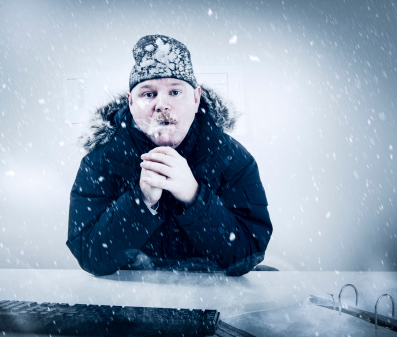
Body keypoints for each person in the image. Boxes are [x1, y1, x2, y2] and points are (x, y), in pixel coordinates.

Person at [66, 35, 272, 276]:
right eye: (148, 94)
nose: (162, 105)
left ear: (196, 99)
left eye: (175, 92)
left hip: (212, 293)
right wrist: (140, 201)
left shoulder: (233, 159)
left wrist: (194, 196)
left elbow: (248, 254)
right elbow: (90, 256)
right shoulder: (100, 163)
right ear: (131, 103)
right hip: (131, 299)